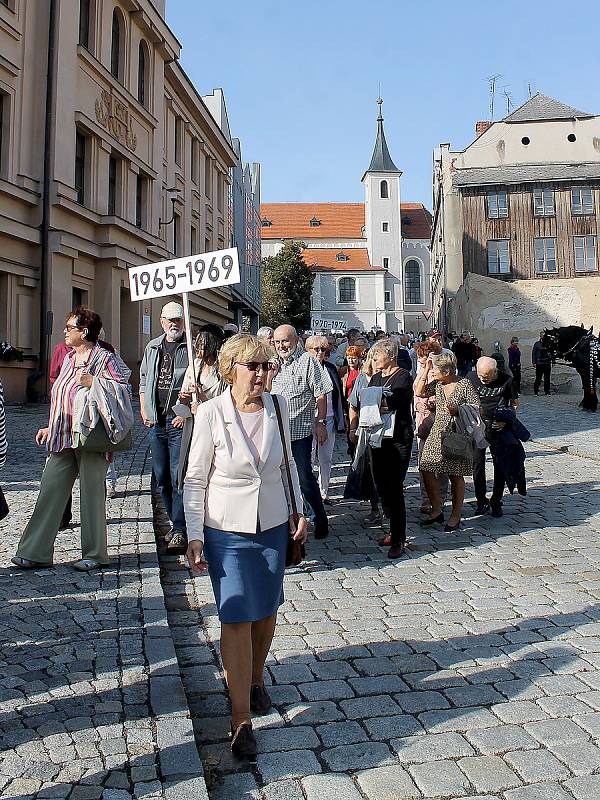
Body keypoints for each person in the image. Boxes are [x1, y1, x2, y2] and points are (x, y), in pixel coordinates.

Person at [184, 334, 307, 759]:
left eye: (266, 366)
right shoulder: (212, 414)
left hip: (273, 523)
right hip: (227, 529)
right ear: (230, 369)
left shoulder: (277, 407)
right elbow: (195, 477)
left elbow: (288, 462)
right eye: (253, 366)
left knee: (267, 610)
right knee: (235, 615)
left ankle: (255, 679)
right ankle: (240, 719)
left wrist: (299, 508)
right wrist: (194, 533)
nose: (262, 374)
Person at [12, 307, 131, 571]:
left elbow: (124, 388)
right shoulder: (68, 358)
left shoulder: (104, 357)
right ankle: (35, 552)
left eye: (70, 328)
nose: (65, 332)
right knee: (50, 490)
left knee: (91, 495)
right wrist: (49, 425)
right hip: (62, 436)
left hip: (92, 437)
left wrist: (95, 382)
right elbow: (62, 396)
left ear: (85, 332)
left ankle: (95, 554)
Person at [349, 340, 413, 559]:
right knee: (381, 486)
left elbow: (393, 402)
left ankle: (398, 538)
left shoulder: (403, 376)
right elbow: (365, 400)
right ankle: (392, 529)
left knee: (394, 488)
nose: (374, 360)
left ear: (391, 356)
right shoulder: (376, 377)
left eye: (377, 356)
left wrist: (375, 401)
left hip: (397, 439)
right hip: (377, 437)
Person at [271, 325, 332, 539]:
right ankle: (287, 523)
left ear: (295, 340)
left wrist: (321, 422)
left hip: (299, 433)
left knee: (304, 477)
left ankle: (319, 517)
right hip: (274, 433)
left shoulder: (307, 361)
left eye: (285, 341)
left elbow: (321, 394)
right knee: (277, 479)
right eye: (277, 342)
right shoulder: (272, 362)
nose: (281, 346)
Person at [139, 302, 189, 550]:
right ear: (161, 321)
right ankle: (173, 522)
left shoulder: (190, 348)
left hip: (178, 420)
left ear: (184, 321)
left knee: (178, 475)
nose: (174, 324)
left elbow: (196, 385)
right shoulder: (153, 347)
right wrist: (144, 408)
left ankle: (180, 528)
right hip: (156, 421)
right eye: (169, 320)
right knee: (161, 477)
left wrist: (186, 411)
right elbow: (144, 379)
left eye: (178, 320)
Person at [418, 352, 481, 531]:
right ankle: (437, 509)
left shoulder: (464, 384)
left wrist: (458, 410)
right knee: (426, 467)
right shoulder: (438, 385)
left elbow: (477, 409)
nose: (433, 374)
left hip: (456, 434)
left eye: (436, 370)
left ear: (446, 371)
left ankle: (455, 514)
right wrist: (427, 369)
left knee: (455, 474)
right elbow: (419, 391)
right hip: (437, 431)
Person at [176, 324, 227, 495]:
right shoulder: (194, 365)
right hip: (194, 426)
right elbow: (183, 395)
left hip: (215, 428)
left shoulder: (223, 370)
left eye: (202, 344)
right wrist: (183, 399)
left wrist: (203, 399)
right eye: (197, 343)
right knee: (190, 469)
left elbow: (225, 404)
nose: (198, 348)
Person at [469, 356, 519, 517]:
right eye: (481, 375)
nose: (483, 379)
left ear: (495, 371)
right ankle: (481, 499)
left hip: (499, 427)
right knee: (477, 464)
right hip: (478, 427)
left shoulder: (507, 380)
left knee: (500, 465)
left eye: (487, 376)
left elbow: (515, 404)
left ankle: (496, 499)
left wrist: (507, 421)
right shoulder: (470, 378)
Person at [305, 336, 345, 504]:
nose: (321, 353)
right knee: (309, 458)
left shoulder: (330, 368)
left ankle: (324, 492)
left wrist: (340, 418)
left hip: (329, 417)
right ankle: (308, 493)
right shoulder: (304, 368)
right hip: (308, 420)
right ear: (308, 351)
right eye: (317, 349)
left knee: (326, 457)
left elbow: (338, 394)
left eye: (324, 350)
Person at [413, 342, 449, 514]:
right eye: (420, 357)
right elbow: (416, 394)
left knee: (441, 462)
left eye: (425, 356)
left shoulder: (441, 375)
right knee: (424, 463)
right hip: (424, 423)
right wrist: (418, 406)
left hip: (441, 422)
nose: (422, 360)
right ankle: (426, 498)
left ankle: (440, 497)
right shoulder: (420, 374)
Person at [532, 331, 552, 396]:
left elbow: (551, 352)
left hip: (547, 363)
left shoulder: (549, 344)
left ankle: (547, 391)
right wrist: (534, 362)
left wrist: (552, 360)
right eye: (542, 336)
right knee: (538, 378)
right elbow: (533, 353)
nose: (544, 337)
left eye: (545, 336)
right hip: (539, 363)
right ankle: (536, 391)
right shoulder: (537, 344)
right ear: (540, 336)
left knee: (547, 378)